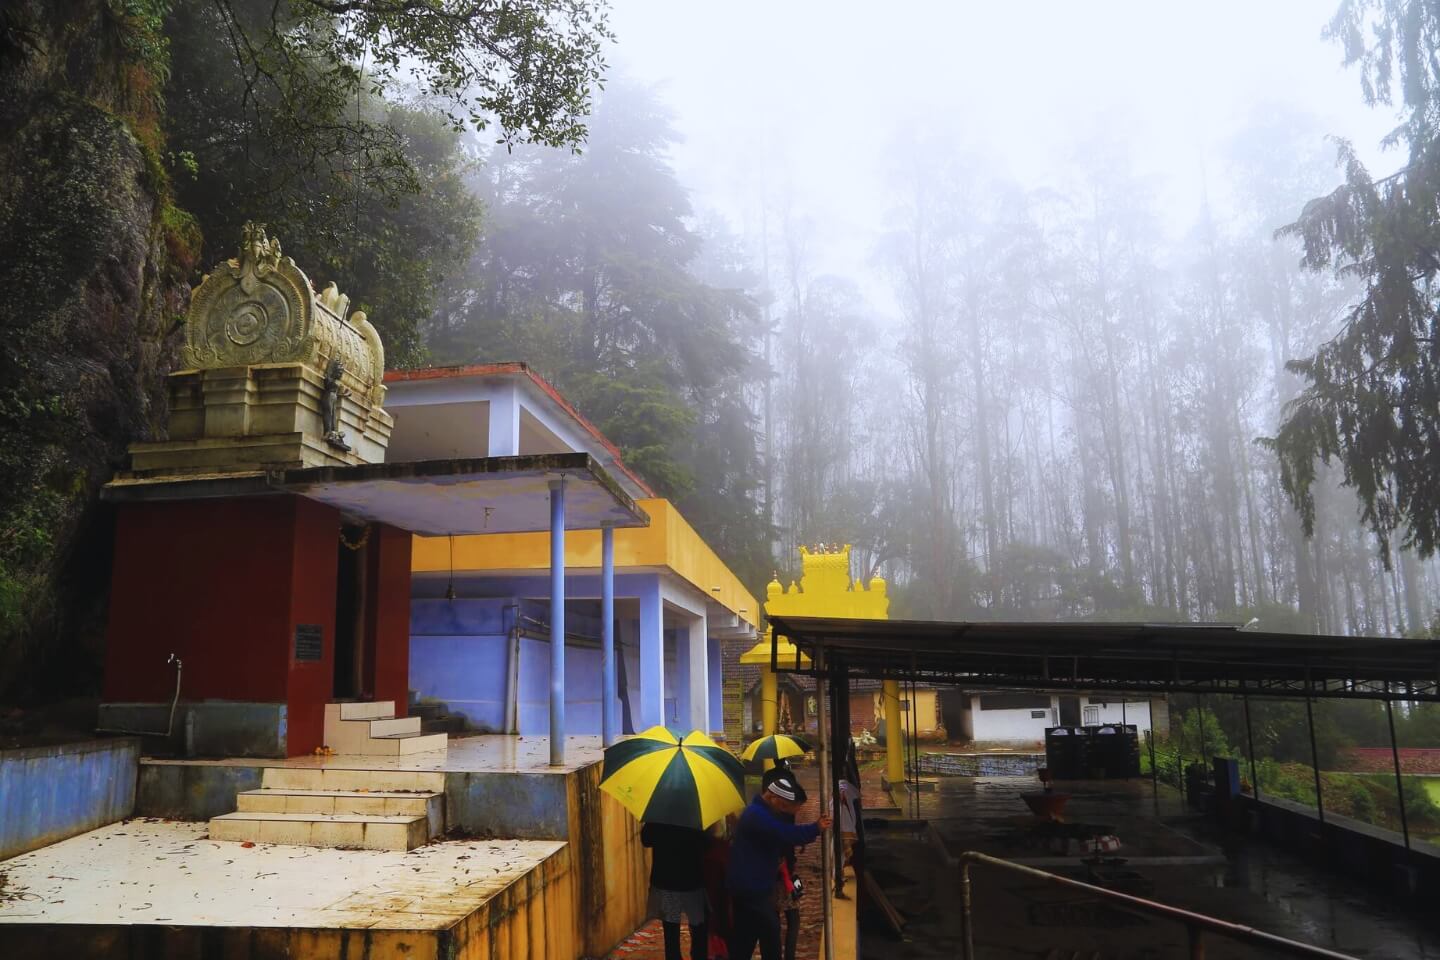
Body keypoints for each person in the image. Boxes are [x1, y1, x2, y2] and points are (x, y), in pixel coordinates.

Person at [727, 768, 831, 960]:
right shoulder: (757, 815)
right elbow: (784, 833)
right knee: (769, 936)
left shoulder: (759, 812)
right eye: (785, 807)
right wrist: (815, 828)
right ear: (774, 799)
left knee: (747, 940)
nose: (784, 811)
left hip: (753, 887)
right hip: (751, 890)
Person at [641, 821, 710, 960]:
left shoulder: (659, 817)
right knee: (699, 931)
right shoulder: (694, 817)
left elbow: (646, 839)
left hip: (667, 881)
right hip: (692, 881)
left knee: (671, 934)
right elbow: (706, 844)